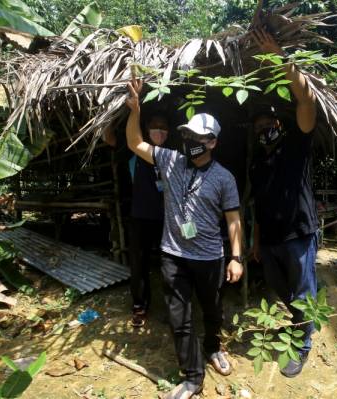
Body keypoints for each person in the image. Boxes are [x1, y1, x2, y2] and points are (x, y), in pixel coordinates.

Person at [124, 76, 244, 399]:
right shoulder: (171, 160)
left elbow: (233, 220)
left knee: (212, 310)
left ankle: (213, 347)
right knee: (180, 316)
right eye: (188, 134)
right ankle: (192, 377)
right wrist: (135, 111)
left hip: (209, 258)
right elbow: (136, 144)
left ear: (213, 142)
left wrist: (235, 257)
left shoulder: (224, 178)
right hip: (173, 254)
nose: (191, 140)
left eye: (200, 137)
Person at [249, 27, 320, 378]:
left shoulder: (296, 147)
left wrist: (281, 60)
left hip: (299, 236)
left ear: (279, 124)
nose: (265, 130)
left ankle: (303, 344)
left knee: (304, 291)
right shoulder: (258, 164)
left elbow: (306, 102)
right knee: (282, 290)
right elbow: (258, 205)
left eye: (269, 124)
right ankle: (299, 324)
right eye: (259, 126)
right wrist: (256, 241)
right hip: (272, 241)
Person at [104, 111, 170, 327]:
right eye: (155, 125)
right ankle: (140, 306)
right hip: (140, 217)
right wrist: (108, 114)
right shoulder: (134, 148)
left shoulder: (171, 154)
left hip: (167, 219)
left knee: (170, 263)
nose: (159, 130)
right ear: (146, 127)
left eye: (163, 126)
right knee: (138, 264)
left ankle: (173, 308)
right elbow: (109, 138)